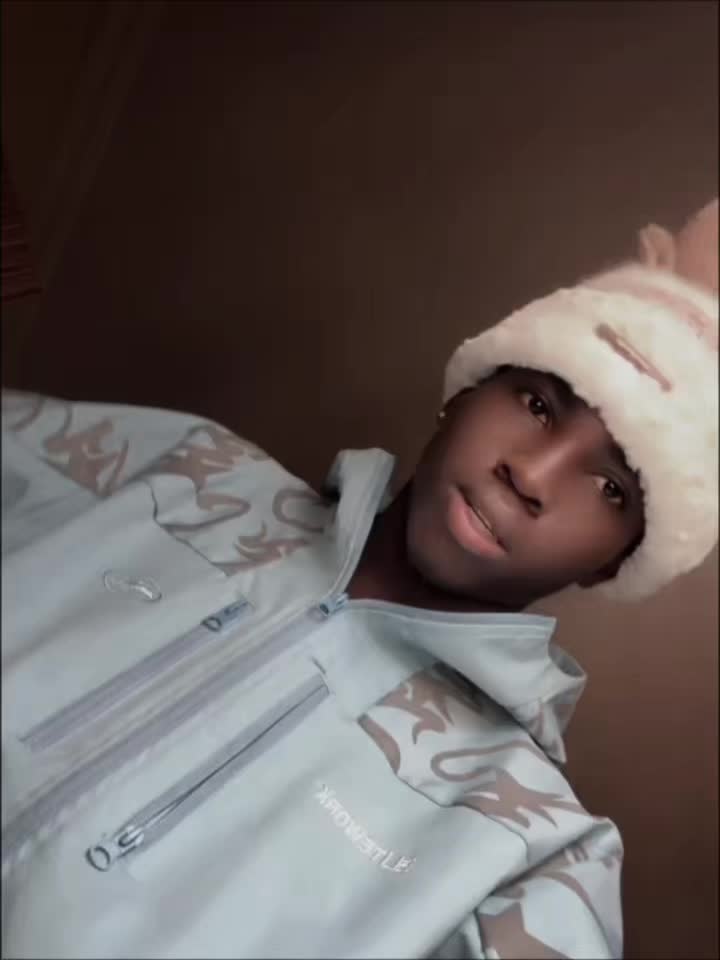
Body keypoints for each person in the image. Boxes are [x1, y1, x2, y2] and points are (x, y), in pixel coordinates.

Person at [1, 197, 716, 959]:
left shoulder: (531, 855)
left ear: (614, 561)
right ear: (465, 392)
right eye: (538, 404)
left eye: (611, 488)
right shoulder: (182, 471)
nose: (532, 475)